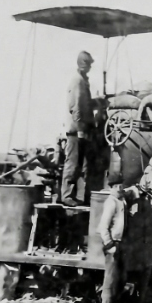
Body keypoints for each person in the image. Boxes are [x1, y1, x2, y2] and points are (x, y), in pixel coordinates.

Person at [62, 50, 95, 206]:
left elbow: (85, 104)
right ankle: (67, 195)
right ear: (84, 64)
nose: (90, 67)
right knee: (73, 163)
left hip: (80, 129)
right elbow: (76, 106)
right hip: (76, 130)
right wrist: (80, 128)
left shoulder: (82, 80)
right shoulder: (78, 81)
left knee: (78, 164)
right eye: (89, 64)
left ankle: (72, 195)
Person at [98, 171, 131, 303]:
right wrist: (109, 244)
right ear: (111, 187)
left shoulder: (122, 201)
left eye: (120, 186)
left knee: (120, 280)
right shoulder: (111, 202)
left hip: (122, 244)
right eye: (116, 186)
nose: (119, 188)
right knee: (110, 281)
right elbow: (103, 227)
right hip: (113, 245)